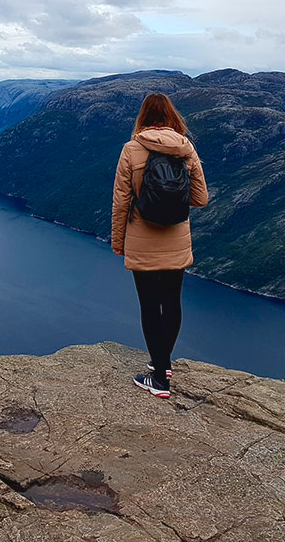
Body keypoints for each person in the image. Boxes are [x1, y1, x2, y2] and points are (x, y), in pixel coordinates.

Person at [111, 92, 208, 399]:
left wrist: (118, 242)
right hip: (176, 239)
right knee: (172, 302)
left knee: (150, 307)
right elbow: (201, 198)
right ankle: (163, 364)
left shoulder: (131, 149)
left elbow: (121, 202)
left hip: (142, 239)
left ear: (143, 117)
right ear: (172, 116)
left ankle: (160, 380)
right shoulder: (186, 148)